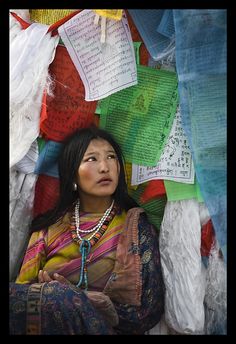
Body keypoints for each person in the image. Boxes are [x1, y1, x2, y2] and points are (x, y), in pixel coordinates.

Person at [9, 126, 165, 335]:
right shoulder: (48, 227)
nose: (104, 167)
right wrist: (55, 296)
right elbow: (22, 295)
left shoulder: (136, 228)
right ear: (73, 174)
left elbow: (148, 311)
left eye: (111, 157)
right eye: (91, 159)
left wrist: (86, 303)